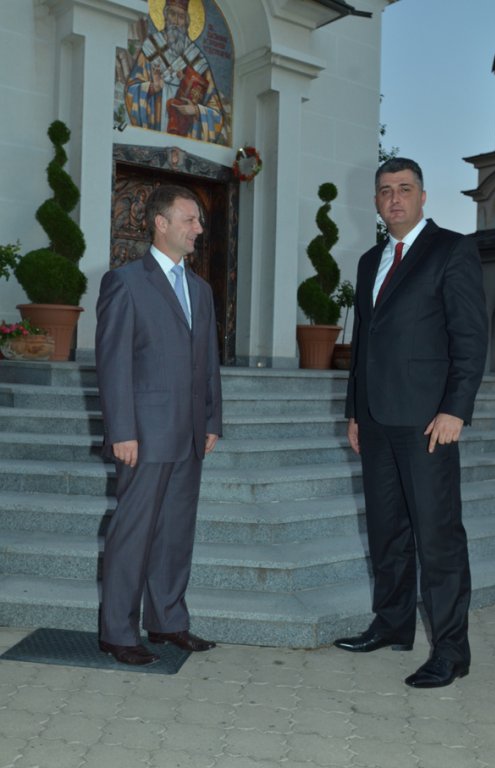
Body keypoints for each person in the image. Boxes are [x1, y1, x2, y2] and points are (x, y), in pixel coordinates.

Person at [334, 158, 488, 688]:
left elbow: (470, 337)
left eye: (404, 189)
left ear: (423, 196)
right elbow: (364, 342)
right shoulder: (369, 261)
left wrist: (455, 408)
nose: (394, 198)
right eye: (385, 191)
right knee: (387, 531)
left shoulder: (452, 250)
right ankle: (392, 624)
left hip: (428, 420)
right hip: (376, 418)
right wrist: (355, 411)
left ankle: (451, 651)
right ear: (376, 202)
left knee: (438, 536)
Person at [95, 183, 222, 665]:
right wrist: (122, 431)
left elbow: (207, 362)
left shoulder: (201, 290)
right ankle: (117, 632)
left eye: (199, 221)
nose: (198, 229)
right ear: (160, 223)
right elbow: (113, 364)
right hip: (143, 436)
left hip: (188, 435)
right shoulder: (125, 282)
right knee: (133, 534)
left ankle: (168, 621)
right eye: (190, 219)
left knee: (175, 533)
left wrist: (211, 419)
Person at [125, 0, 225, 142]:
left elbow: (216, 113)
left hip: (185, 132)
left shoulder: (197, 59)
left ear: (187, 22)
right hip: (154, 125)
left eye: (181, 16)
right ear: (165, 17)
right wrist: (153, 87)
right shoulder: (151, 48)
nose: (176, 21)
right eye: (172, 14)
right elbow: (131, 91)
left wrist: (196, 110)